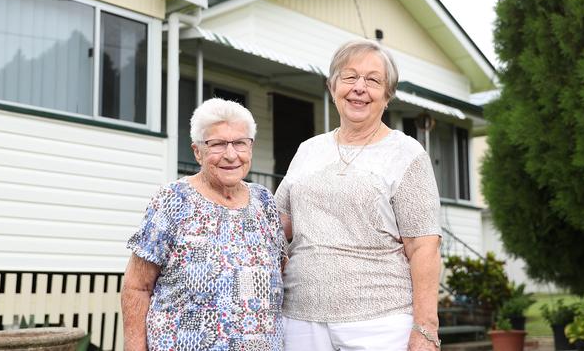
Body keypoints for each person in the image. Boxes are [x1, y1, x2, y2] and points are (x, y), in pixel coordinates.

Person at [275, 39, 443, 351]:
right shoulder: (308, 150)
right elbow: (276, 225)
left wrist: (426, 328)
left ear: (388, 94)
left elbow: (424, 248)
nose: (359, 88)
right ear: (332, 86)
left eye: (373, 80)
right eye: (349, 77)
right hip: (299, 317)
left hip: (379, 323)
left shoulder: (406, 154)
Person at [121, 98, 286, 351]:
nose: (231, 155)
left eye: (240, 143)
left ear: (250, 148)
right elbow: (137, 286)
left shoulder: (264, 202)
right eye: (217, 144)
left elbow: (281, 271)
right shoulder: (173, 200)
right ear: (197, 151)